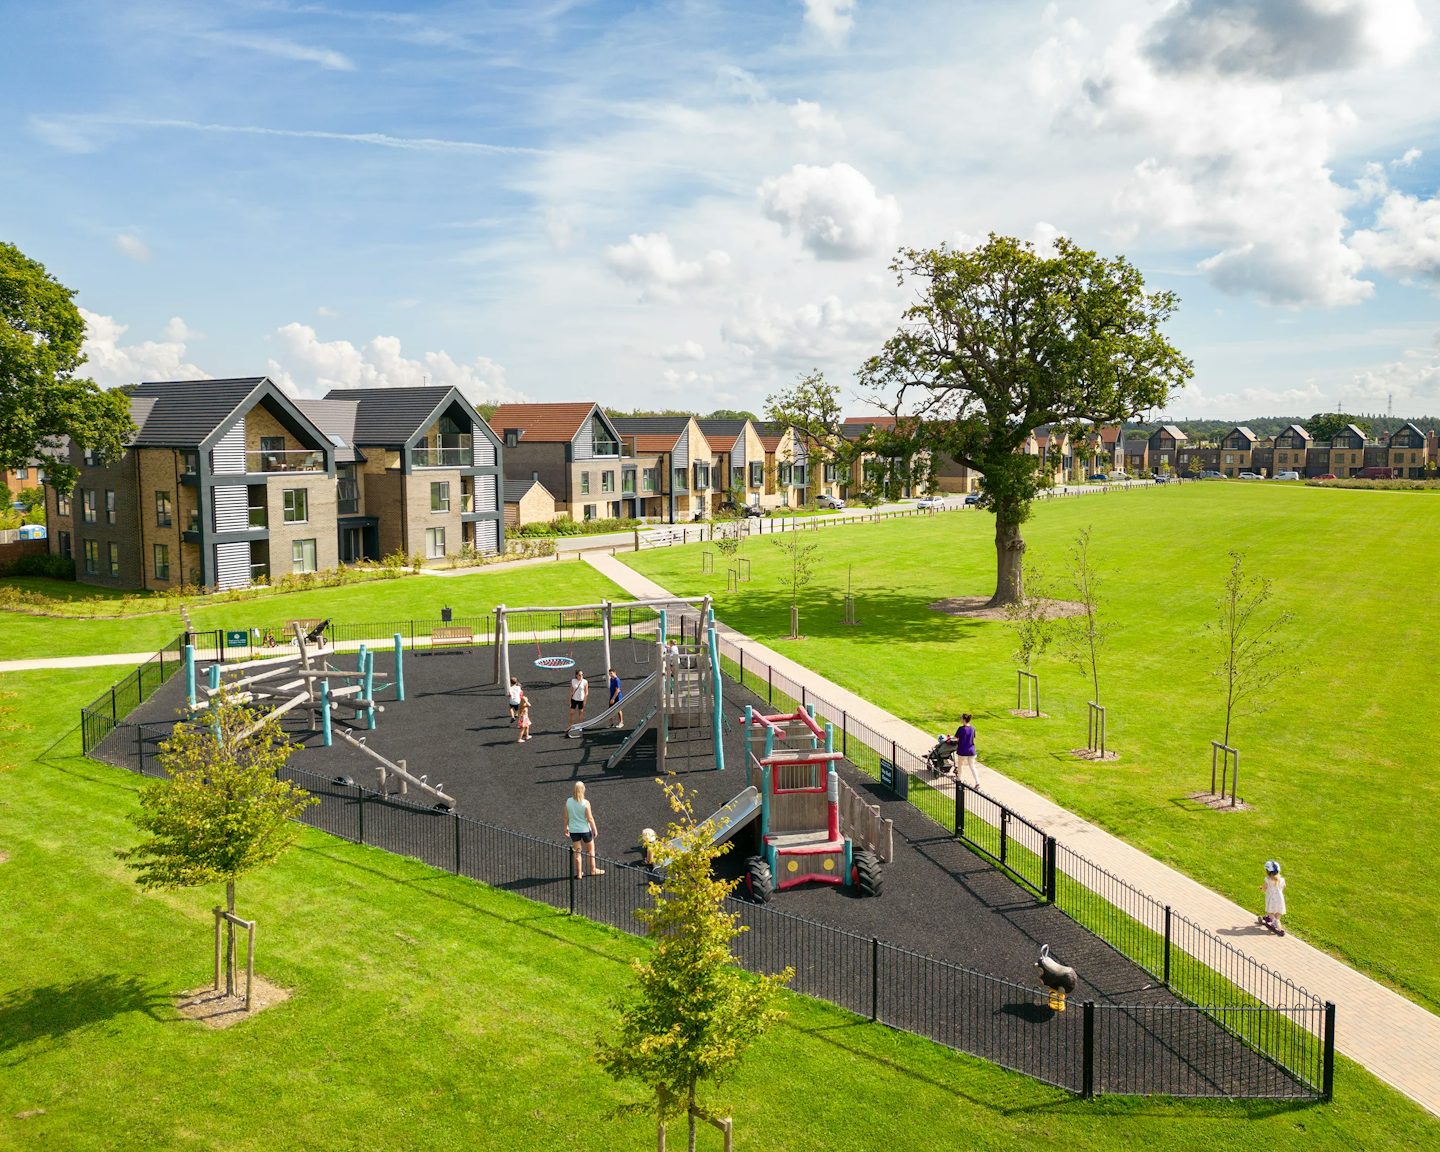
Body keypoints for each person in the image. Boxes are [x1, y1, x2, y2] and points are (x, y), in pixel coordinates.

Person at [565, 781, 604, 878]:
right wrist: (594, 829)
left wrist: (566, 827)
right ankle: (593, 870)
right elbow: (590, 818)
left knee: (577, 852)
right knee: (591, 850)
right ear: (583, 790)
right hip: (585, 830)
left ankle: (579, 874)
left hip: (574, 831)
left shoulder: (568, 801)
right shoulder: (585, 803)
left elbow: (566, 816)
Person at [1260, 860, 1287, 935]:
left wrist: (1261, 888)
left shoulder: (1267, 880)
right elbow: (1284, 886)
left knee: (1270, 912)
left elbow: (1264, 888)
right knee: (1278, 912)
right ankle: (1277, 921)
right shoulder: (1282, 880)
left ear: (1268, 872)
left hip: (1271, 899)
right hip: (1280, 899)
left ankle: (1274, 921)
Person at [953, 713, 979, 787]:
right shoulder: (972, 728)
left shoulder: (961, 729)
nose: (960, 719)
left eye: (961, 718)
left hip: (962, 750)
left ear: (964, 720)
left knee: (960, 765)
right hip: (971, 750)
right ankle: (977, 782)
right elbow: (973, 737)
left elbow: (955, 738)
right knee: (972, 766)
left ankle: (958, 779)